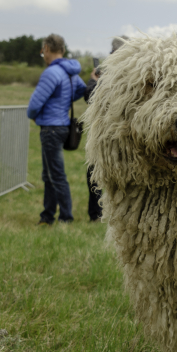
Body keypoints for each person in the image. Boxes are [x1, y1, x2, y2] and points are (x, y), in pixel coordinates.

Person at [27, 33, 87, 225]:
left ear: (46, 48)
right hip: (62, 126)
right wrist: (62, 103)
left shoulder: (51, 73)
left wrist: (34, 115)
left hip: (51, 128)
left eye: (42, 50)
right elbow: (81, 89)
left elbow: (34, 104)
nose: (42, 54)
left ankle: (66, 217)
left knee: (56, 174)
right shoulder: (71, 72)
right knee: (50, 174)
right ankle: (47, 214)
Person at [83, 35, 127, 222]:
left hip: (109, 135)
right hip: (124, 132)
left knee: (96, 173)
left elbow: (91, 96)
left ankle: (97, 213)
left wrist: (94, 81)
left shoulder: (114, 71)